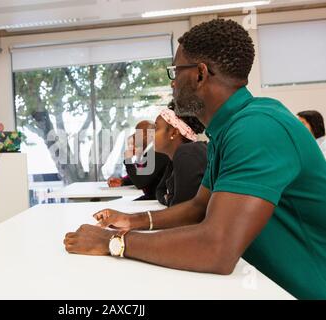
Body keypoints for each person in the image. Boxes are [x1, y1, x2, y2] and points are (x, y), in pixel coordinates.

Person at [64, 19, 326, 299]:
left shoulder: (257, 128)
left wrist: (114, 242)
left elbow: (217, 248)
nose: (173, 82)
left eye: (175, 71)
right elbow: (200, 207)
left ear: (200, 74)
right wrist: (134, 221)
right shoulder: (228, 129)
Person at [154, 108, 207, 206]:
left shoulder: (188, 154)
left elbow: (181, 209)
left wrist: (170, 199)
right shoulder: (175, 158)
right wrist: (170, 198)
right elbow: (160, 191)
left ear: (174, 133)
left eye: (156, 128)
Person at [107, 120, 169, 200]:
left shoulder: (157, 152)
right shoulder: (150, 152)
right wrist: (123, 181)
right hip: (153, 197)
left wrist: (128, 160)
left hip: (156, 199)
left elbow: (140, 182)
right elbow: (143, 175)